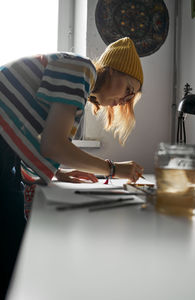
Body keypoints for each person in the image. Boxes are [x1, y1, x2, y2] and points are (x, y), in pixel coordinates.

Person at [0, 37, 143, 299]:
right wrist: (113, 169)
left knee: (15, 249)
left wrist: (59, 171)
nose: (125, 100)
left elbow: (30, 139)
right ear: (112, 70)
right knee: (13, 254)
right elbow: (53, 146)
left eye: (131, 97)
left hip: (5, 152)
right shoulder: (83, 69)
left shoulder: (79, 83)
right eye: (129, 89)